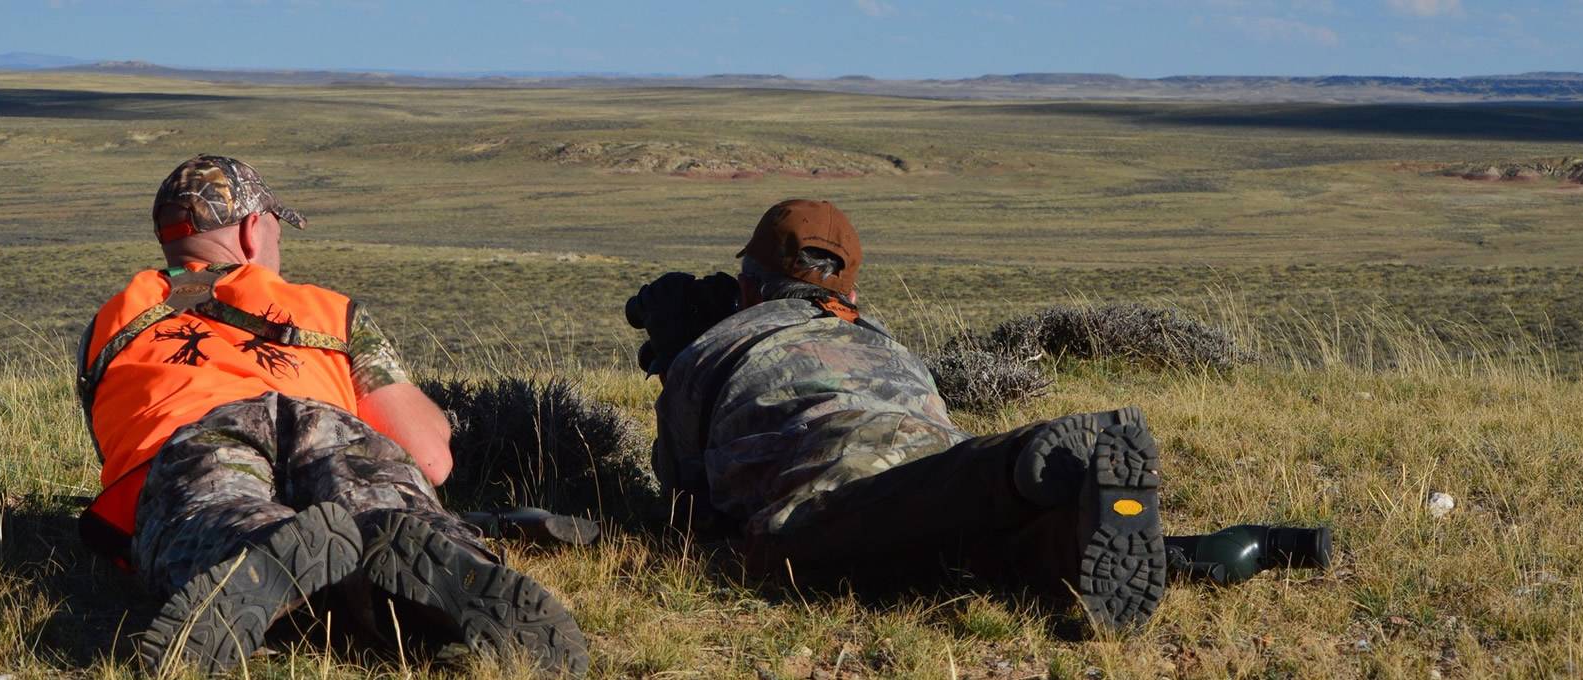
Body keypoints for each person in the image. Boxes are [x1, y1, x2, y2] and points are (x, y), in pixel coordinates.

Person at [74, 155, 588, 674]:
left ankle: (258, 542)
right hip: (325, 423)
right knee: (383, 505)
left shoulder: (110, 324)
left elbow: (113, 436)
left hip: (194, 437)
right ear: (254, 230)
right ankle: (442, 557)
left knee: (216, 513)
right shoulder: (327, 310)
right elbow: (432, 459)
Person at [639, 199, 1166, 630]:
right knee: (978, 554)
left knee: (822, 546)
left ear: (749, 284)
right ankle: (1071, 526)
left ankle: (1018, 460)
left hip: (833, 491)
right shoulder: (881, 337)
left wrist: (677, 359)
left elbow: (687, 508)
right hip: (942, 459)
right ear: (851, 293)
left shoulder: (715, 348)